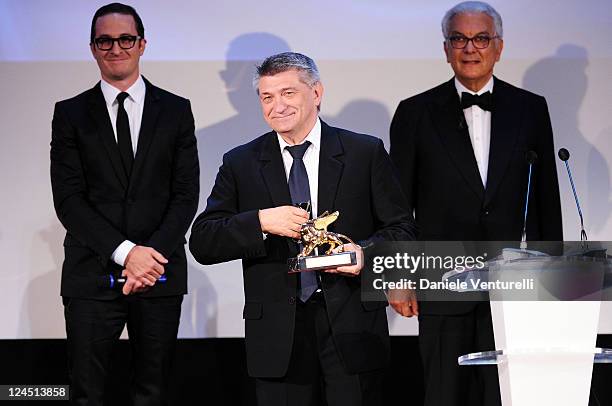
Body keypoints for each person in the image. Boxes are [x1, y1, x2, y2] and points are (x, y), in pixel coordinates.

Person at [189, 52, 416, 406]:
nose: (277, 106)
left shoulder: (363, 152)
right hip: (278, 335)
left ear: (317, 92)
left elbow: (402, 230)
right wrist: (261, 222)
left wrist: (365, 255)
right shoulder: (241, 162)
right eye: (267, 96)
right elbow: (203, 241)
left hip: (352, 327)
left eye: (288, 93)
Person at [389, 2, 563, 405]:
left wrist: (554, 279)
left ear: (499, 47)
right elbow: (398, 206)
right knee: (444, 392)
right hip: (442, 279)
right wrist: (399, 276)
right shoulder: (414, 112)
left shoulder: (531, 109)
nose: (470, 48)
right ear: (446, 48)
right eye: (459, 39)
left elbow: (546, 200)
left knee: (509, 393)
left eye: (481, 38)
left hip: (515, 281)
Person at [50, 3, 199, 405]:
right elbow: (68, 200)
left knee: (153, 392)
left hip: (159, 272)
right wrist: (126, 253)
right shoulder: (70, 114)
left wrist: (147, 260)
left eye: (125, 39)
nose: (116, 48)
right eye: (105, 40)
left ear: (142, 44)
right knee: (86, 394)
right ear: (93, 47)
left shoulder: (176, 109)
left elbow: (185, 195)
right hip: (91, 276)